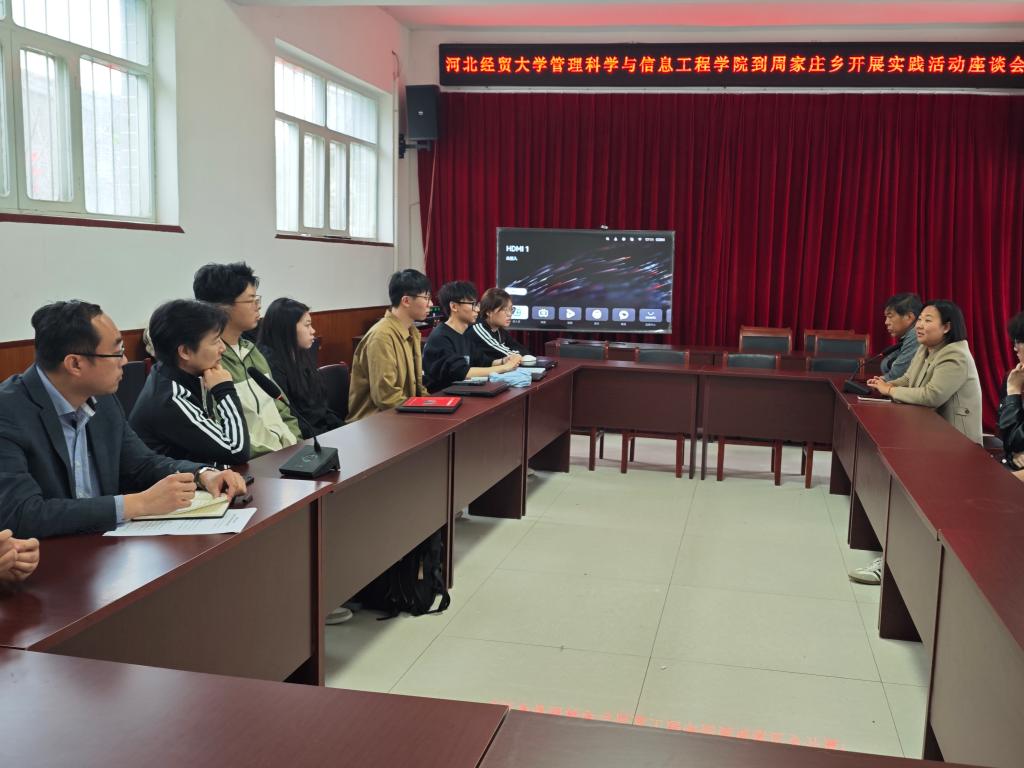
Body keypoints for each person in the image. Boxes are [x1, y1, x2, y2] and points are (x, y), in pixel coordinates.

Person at [0, 301, 247, 539]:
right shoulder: (8, 412)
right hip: (46, 556)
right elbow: (21, 514)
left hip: (103, 545)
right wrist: (138, 504)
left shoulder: (102, 399)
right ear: (75, 363)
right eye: (117, 353)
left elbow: (142, 464)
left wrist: (202, 474)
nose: (125, 362)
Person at [852, 300, 983, 586]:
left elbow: (931, 395)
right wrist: (886, 385)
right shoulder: (927, 349)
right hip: (929, 441)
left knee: (922, 509)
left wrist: (890, 390)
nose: (920, 326)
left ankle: (898, 565)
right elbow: (908, 380)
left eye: (928, 320)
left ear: (947, 327)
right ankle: (894, 560)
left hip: (954, 450)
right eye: (920, 319)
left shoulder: (955, 356)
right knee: (905, 499)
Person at [193, 262, 301, 457]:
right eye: (251, 300)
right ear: (222, 308)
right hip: (254, 462)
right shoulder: (208, 363)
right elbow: (220, 429)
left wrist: (295, 444)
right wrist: (273, 455)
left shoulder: (252, 351)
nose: (258, 306)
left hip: (286, 455)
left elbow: (282, 408)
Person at [130, 300, 251, 466]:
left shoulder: (184, 373)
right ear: (185, 351)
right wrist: (224, 390)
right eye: (215, 341)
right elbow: (236, 451)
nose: (223, 348)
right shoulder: (170, 399)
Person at [347, 269, 433, 423]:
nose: (431, 304)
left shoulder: (412, 331)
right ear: (406, 301)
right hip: (375, 422)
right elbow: (386, 397)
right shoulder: (381, 336)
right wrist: (424, 411)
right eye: (426, 298)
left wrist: (433, 405)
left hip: (402, 415)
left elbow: (418, 387)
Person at [258, 298, 342, 437]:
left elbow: (320, 409)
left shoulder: (300, 354)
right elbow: (291, 418)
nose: (313, 331)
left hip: (321, 430)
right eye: (307, 325)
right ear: (287, 328)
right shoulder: (270, 364)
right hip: (302, 437)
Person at [422, 281, 521, 392]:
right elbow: (463, 373)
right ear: (454, 306)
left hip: (461, 392)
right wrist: (505, 367)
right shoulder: (440, 337)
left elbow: (483, 361)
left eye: (477, 304)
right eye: (472, 304)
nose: (477, 309)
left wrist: (504, 360)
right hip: (441, 397)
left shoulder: (464, 333)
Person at [469, 287, 530, 364]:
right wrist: (520, 356)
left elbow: (523, 350)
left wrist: (521, 355)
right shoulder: (479, 329)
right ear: (489, 312)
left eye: (511, 309)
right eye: (504, 310)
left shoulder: (499, 329)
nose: (509, 314)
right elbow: (509, 355)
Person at [998, 311, 1024, 481]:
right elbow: (1009, 440)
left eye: (1018, 341)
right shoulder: (1014, 377)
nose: (1015, 348)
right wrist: (1013, 391)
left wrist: (1014, 392)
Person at [879, 292, 922, 381]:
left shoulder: (916, 334)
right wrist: (893, 363)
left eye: (890, 316)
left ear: (909, 317)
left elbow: (897, 375)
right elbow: (884, 364)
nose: (886, 322)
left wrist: (892, 365)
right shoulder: (906, 336)